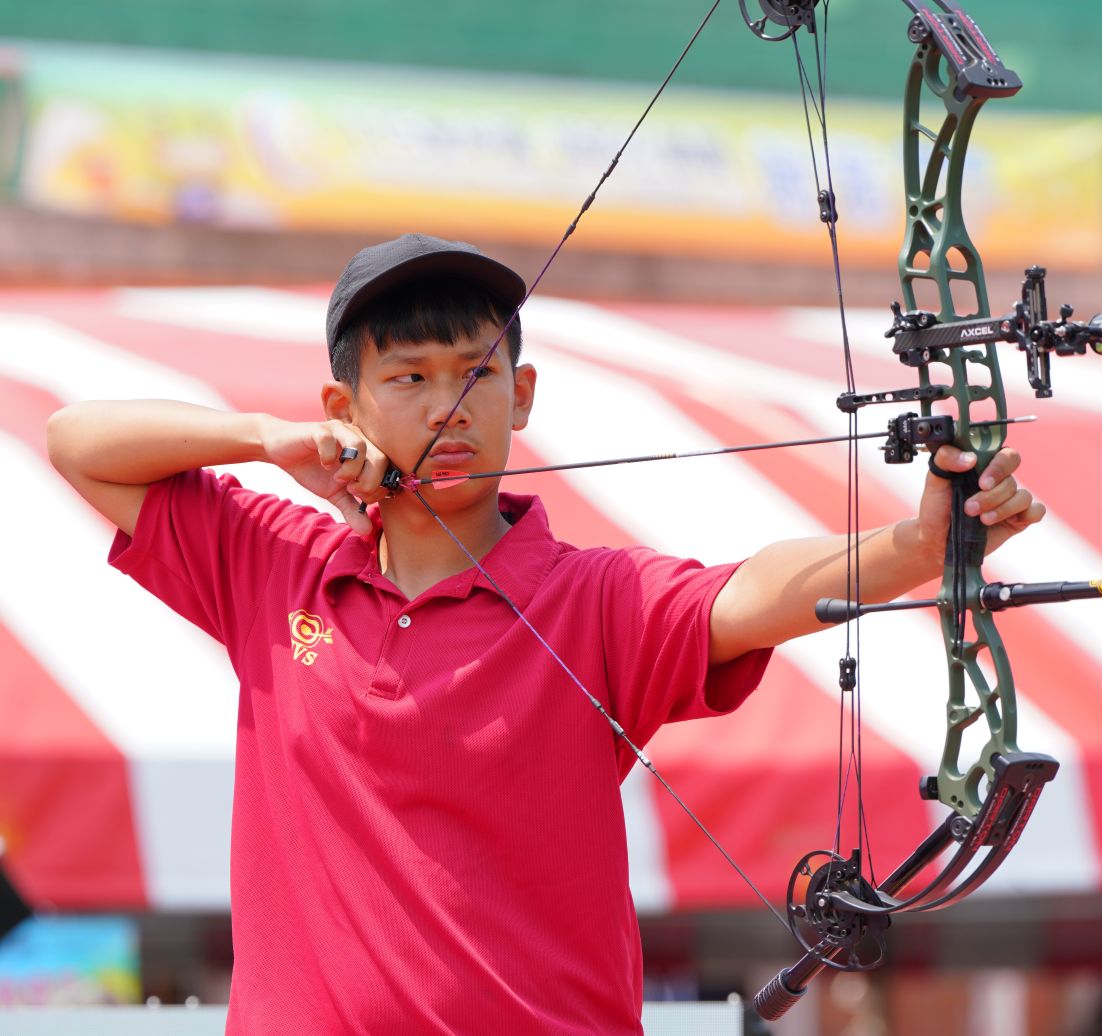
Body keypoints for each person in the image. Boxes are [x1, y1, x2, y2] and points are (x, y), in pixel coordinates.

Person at [46, 233, 1044, 1035]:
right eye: (409, 379)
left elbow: (755, 591)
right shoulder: (278, 564)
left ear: (521, 396)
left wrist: (921, 544)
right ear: (344, 408)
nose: (448, 407)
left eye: (477, 375)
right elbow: (77, 443)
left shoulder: (589, 600)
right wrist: (262, 439)